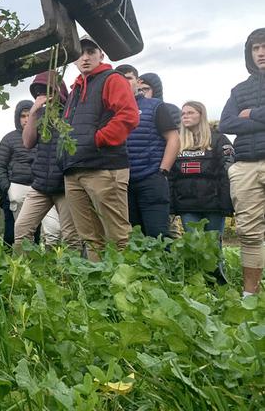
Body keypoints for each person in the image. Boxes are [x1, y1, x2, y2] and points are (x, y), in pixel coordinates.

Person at [61, 37, 139, 260]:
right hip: (75, 169)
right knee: (90, 237)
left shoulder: (111, 79)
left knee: (118, 235)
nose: (85, 57)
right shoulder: (75, 88)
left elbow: (128, 116)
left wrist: (97, 140)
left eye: (91, 51)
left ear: (101, 54)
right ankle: (98, 285)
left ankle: (124, 286)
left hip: (104, 167)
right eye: (80, 53)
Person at [219, 27, 265, 296]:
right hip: (246, 164)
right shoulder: (239, 90)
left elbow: (238, 120)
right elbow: (226, 122)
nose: (261, 53)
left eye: (264, 46)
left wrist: (252, 114)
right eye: (256, 48)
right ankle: (250, 296)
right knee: (249, 232)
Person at [14, 72, 81, 251]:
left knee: (71, 236)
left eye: (47, 91)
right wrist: (34, 113)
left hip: (64, 186)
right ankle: (21, 273)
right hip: (40, 185)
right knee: (21, 229)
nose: (43, 96)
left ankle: (70, 277)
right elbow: (27, 143)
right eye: (39, 92)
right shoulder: (40, 114)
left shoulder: (71, 112)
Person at [170, 101, 233, 283]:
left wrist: (225, 205)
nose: (185, 116)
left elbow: (226, 173)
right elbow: (171, 176)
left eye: (190, 112)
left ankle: (219, 285)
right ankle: (198, 285)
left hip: (213, 204)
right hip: (187, 205)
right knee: (194, 246)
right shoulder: (178, 141)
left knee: (213, 248)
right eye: (183, 114)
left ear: (201, 115)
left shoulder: (219, 139)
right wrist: (173, 206)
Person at [117, 64, 180, 239]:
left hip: (151, 179)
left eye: (128, 78)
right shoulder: (112, 110)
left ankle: (165, 267)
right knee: (133, 238)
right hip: (123, 182)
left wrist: (162, 171)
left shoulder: (155, 106)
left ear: (137, 81)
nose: (124, 82)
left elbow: (173, 138)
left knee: (157, 236)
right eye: (119, 79)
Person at [0, 101, 35, 246]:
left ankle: (33, 265)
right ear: (18, 118)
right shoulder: (9, 138)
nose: (25, 119)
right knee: (11, 232)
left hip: (37, 190)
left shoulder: (42, 136)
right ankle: (8, 266)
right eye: (23, 116)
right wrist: (7, 187)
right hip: (14, 190)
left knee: (34, 232)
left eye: (29, 116)